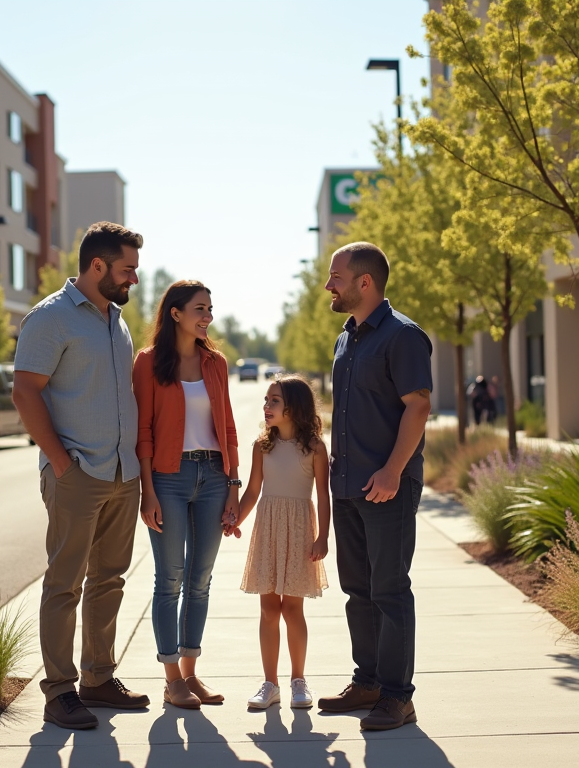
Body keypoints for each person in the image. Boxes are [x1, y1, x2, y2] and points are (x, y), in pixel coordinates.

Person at [12, 221, 149, 730]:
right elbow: (25, 392)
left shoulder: (115, 319)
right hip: (78, 471)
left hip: (121, 473)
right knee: (65, 582)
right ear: (97, 266)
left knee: (108, 580)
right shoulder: (50, 318)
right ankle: (60, 690)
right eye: (127, 269)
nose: (133, 279)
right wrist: (60, 462)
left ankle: (97, 678)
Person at [318, 241, 432, 731]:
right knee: (358, 590)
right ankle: (367, 682)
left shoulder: (402, 336)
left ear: (365, 282)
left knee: (389, 590)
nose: (329, 285)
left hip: (387, 487)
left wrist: (392, 470)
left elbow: (418, 406)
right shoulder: (348, 336)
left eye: (336, 276)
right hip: (346, 486)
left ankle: (397, 696)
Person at [133, 280, 241, 709]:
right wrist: (148, 491)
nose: (207, 317)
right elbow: (143, 432)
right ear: (175, 313)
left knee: (200, 580)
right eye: (200, 308)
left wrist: (234, 485)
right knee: (170, 579)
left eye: (210, 309)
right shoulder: (147, 363)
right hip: (169, 478)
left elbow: (228, 426)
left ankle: (191, 674)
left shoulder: (216, 363)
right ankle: (171, 678)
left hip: (214, 476)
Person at [228, 375, 330, 710]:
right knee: (269, 608)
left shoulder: (314, 447)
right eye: (266, 400)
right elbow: (254, 491)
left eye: (274, 401)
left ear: (294, 407)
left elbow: (323, 496)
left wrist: (323, 536)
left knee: (293, 609)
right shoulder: (262, 446)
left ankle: (298, 680)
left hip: (300, 530)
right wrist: (235, 520)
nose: (266, 406)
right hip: (269, 528)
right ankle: (269, 684)